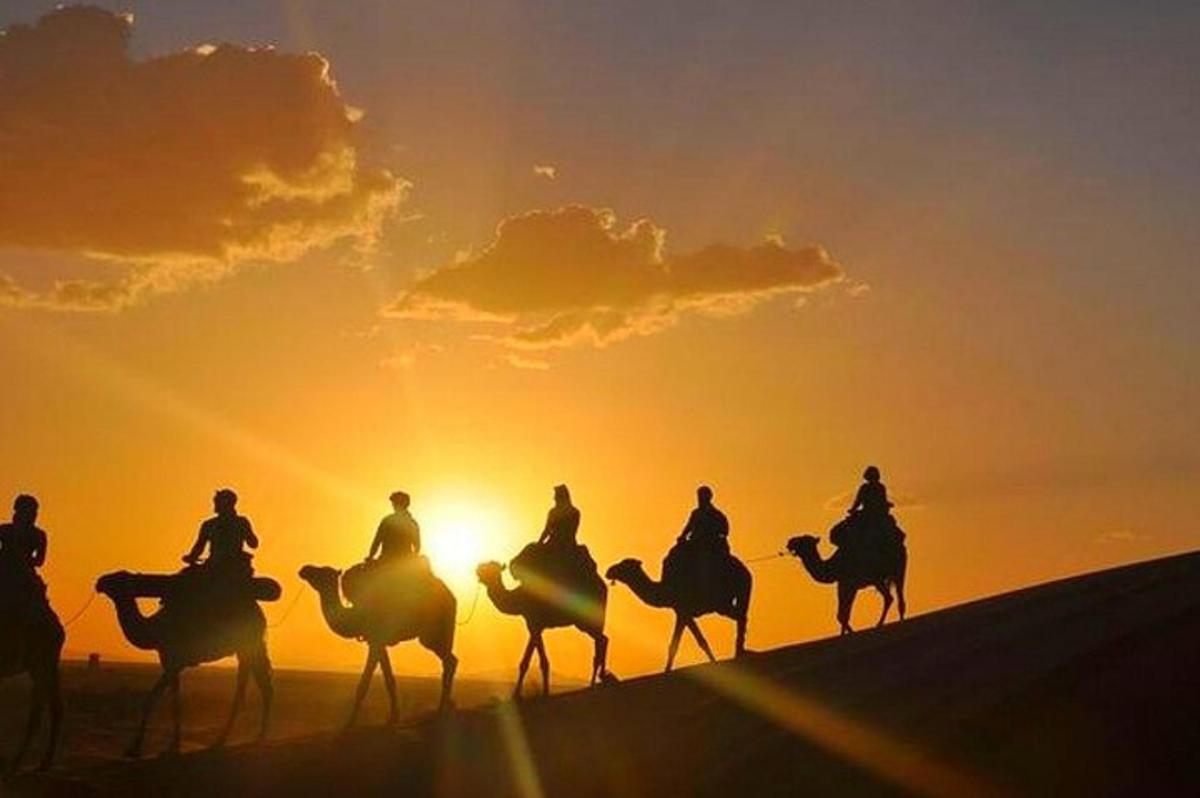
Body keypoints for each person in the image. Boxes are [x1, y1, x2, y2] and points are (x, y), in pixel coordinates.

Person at [183, 488, 258, 571]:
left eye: (218, 502)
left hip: (235, 566)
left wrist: (245, 532)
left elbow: (253, 544)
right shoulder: (209, 524)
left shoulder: (241, 522)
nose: (216, 505)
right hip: (214, 564)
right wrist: (191, 557)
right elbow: (199, 546)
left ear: (228, 504)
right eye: (216, 502)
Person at [0, 494, 48, 575]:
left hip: (25, 574)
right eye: (28, 511)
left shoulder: (39, 535)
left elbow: (40, 561)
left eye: (34, 511)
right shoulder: (4, 530)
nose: (34, 515)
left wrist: (24, 559)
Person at [367, 491, 421, 562]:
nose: (393, 505)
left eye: (395, 503)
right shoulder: (413, 523)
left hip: (387, 559)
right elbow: (417, 546)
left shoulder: (388, 521)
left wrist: (370, 556)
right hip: (405, 560)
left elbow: (377, 540)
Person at [677, 486, 730, 551]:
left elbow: (725, 530)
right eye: (699, 496)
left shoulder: (716, 514)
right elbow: (689, 526)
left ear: (709, 497)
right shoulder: (696, 513)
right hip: (695, 540)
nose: (699, 499)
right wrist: (682, 536)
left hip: (710, 542)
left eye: (702, 496)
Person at [538, 485, 580, 550]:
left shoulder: (555, 513)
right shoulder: (575, 512)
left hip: (557, 544)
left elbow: (547, 530)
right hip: (566, 543)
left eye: (556, 496)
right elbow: (547, 531)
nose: (554, 498)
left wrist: (539, 544)